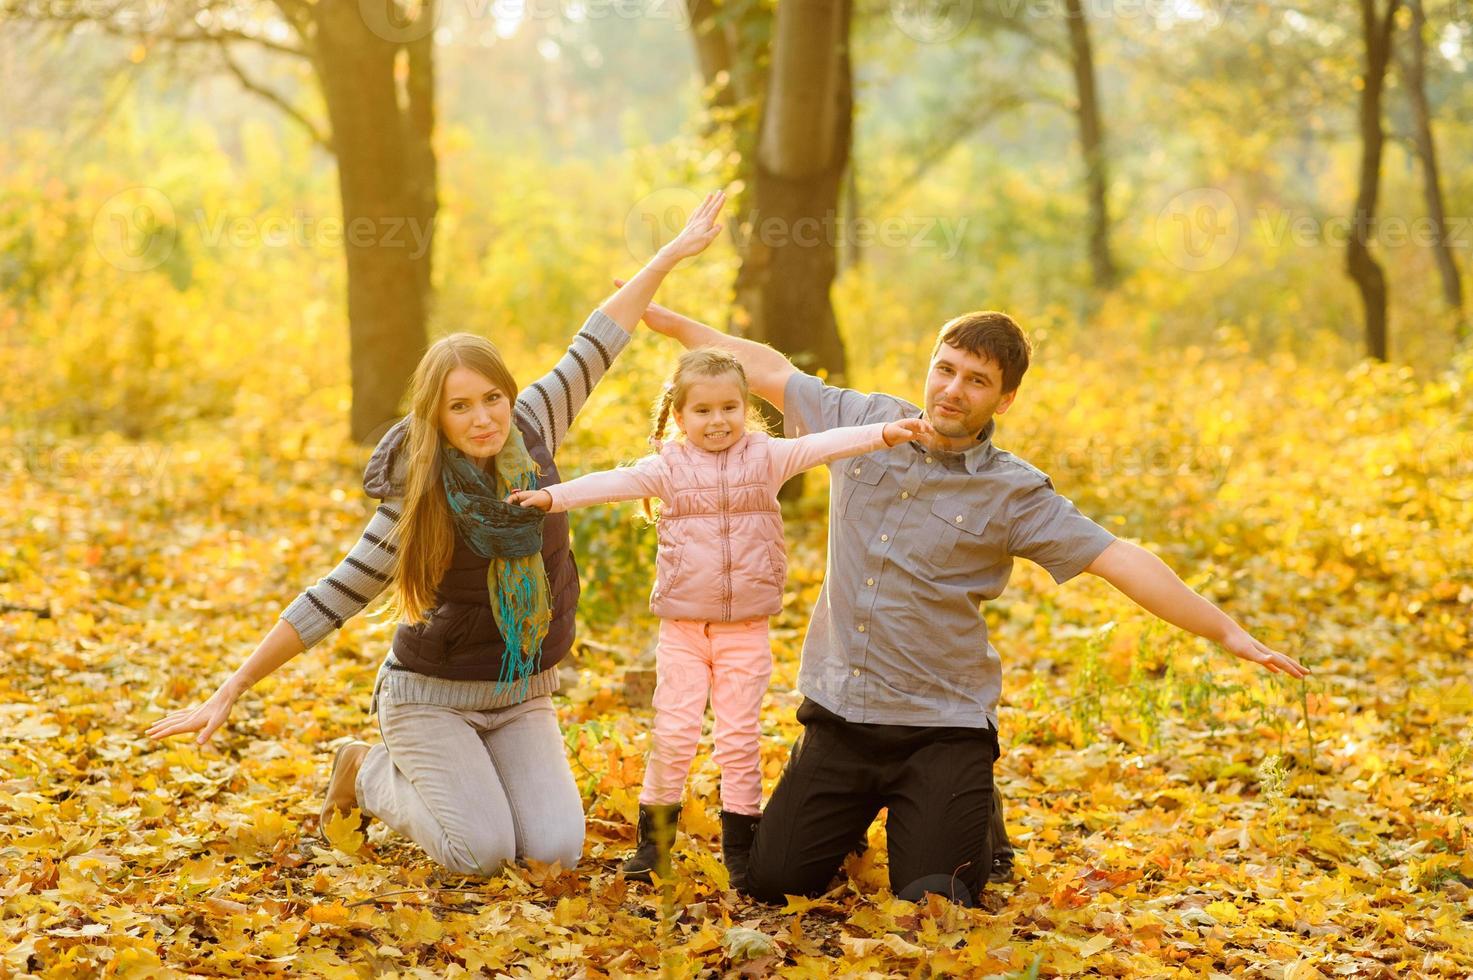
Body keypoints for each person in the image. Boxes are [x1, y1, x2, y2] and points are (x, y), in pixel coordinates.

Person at [632, 300, 1309, 903]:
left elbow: (1118, 558)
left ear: (1003, 399)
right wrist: (671, 323)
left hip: (940, 727)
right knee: (774, 884)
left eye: (976, 380)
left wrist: (1226, 634)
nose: (953, 390)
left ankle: (973, 802)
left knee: (934, 897)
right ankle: (881, 808)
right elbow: (764, 368)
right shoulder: (862, 421)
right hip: (841, 715)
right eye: (945, 368)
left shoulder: (1013, 493)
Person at [146, 192, 730, 876]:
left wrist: (670, 252)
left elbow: (598, 338)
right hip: (431, 698)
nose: (483, 418)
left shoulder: (535, 423)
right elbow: (330, 598)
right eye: (461, 406)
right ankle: (363, 771)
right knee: (475, 855)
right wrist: (228, 690)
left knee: (553, 854)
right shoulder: (416, 503)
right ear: (438, 416)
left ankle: (473, 780)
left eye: (491, 398)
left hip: (520, 693)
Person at [509, 347, 933, 885]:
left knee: (738, 737)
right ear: (680, 416)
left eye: (730, 408)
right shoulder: (668, 467)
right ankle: (653, 845)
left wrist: (882, 434)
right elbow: (607, 484)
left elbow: (821, 444)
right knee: (675, 731)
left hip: (746, 630)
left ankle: (741, 847)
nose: (718, 421)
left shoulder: (766, 457)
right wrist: (549, 498)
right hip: (684, 631)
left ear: (746, 408)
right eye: (704, 411)